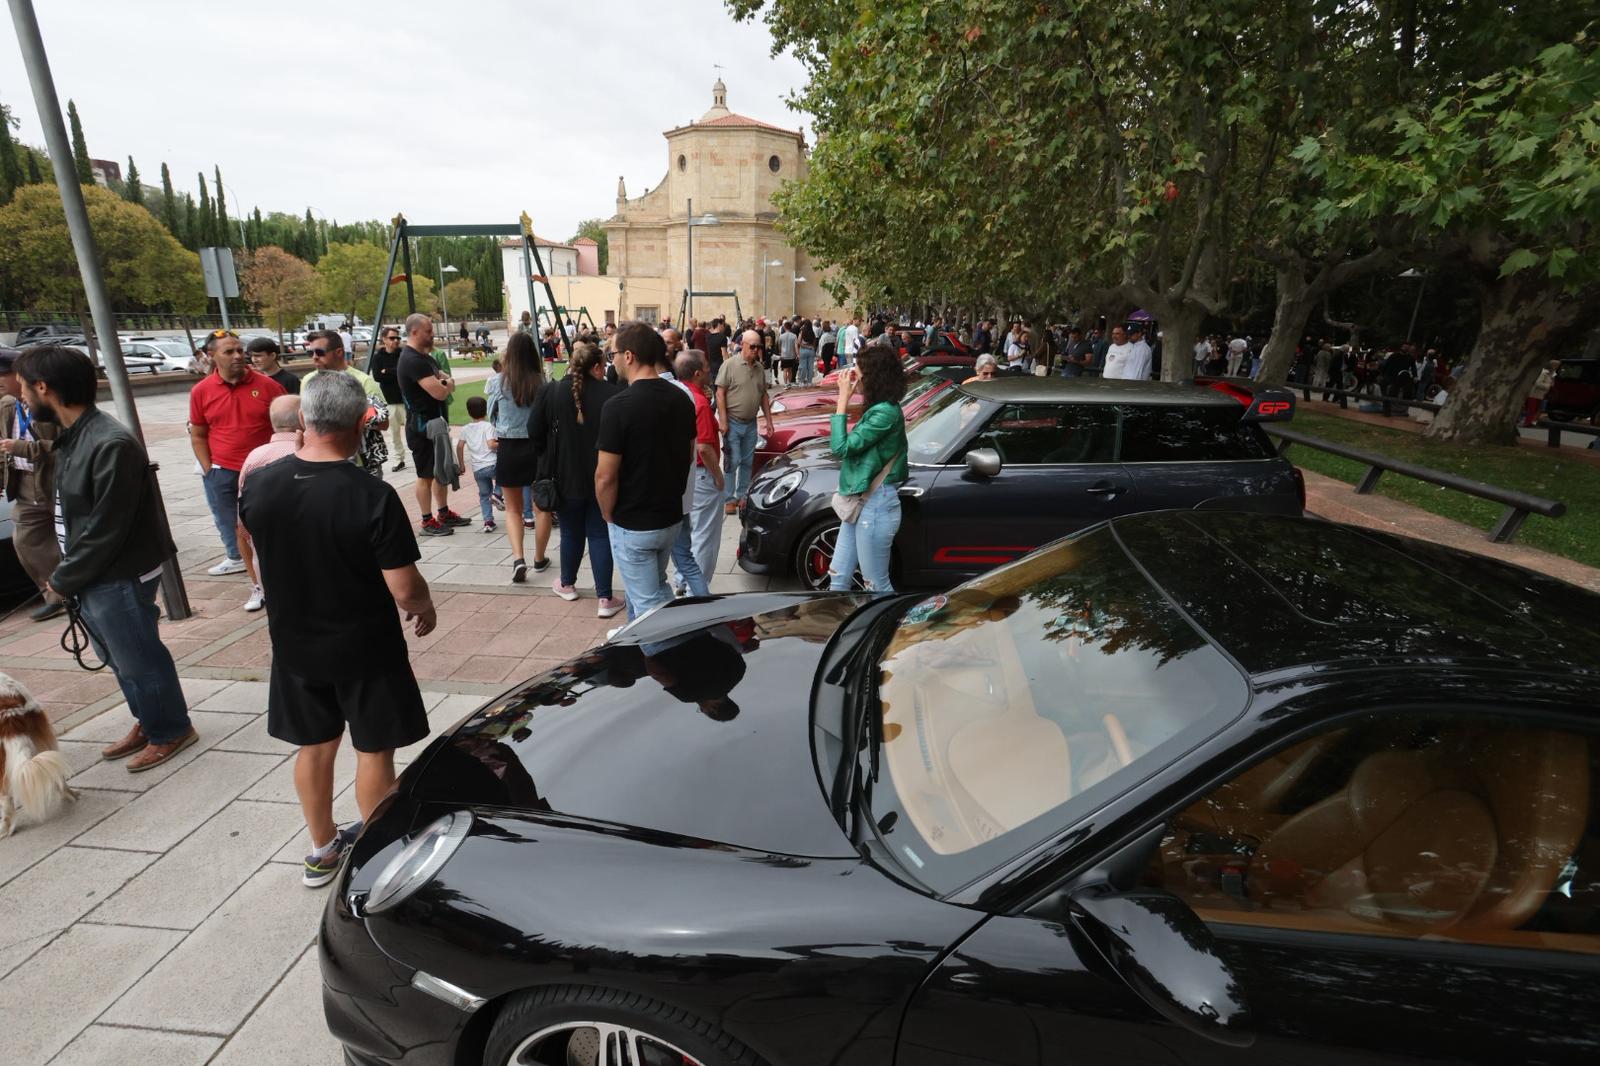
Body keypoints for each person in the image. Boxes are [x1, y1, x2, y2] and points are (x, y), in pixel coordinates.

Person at [240, 372, 435, 887]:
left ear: (304, 420)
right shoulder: (371, 495)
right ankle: (377, 855)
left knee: (316, 745)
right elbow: (403, 587)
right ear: (358, 424)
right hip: (365, 645)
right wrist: (424, 607)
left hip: (294, 642)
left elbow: (256, 552)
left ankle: (322, 849)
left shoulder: (260, 484)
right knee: (373, 749)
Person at [17, 346, 195, 771]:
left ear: (44, 387)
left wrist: (62, 579)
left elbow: (105, 529)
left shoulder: (109, 442)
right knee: (119, 657)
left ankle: (170, 728)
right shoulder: (73, 435)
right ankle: (148, 720)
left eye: (25, 387)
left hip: (116, 572)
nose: (22, 396)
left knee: (137, 656)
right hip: (93, 575)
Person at [595, 323, 696, 623]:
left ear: (628, 356)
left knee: (652, 611)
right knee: (649, 592)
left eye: (612, 353)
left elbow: (605, 476)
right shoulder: (682, 397)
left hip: (635, 522)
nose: (610, 360)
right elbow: (688, 455)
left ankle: (676, 661)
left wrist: (607, 513)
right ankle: (640, 657)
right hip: (669, 517)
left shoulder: (618, 406)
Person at [530, 342, 623, 617]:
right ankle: (604, 597)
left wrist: (547, 455)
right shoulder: (611, 393)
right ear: (596, 366)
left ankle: (567, 583)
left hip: (564, 475)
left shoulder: (553, 391)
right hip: (602, 475)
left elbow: (533, 429)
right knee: (598, 533)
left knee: (571, 531)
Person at [188, 329, 285, 575]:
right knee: (232, 523)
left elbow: (289, 428)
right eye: (229, 351)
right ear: (211, 356)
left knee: (273, 522)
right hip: (223, 472)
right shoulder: (201, 391)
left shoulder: (268, 387)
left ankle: (278, 565)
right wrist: (210, 471)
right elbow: (198, 435)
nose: (238, 356)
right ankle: (244, 566)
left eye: (241, 350)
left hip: (264, 472)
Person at [828, 342, 908, 595]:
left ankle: (892, 632)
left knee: (876, 585)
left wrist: (842, 400)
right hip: (863, 502)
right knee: (838, 576)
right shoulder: (880, 408)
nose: (855, 377)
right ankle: (836, 629)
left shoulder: (885, 413)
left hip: (876, 505)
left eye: (859, 372)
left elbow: (841, 447)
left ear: (873, 377)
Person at [0, 346, 63, 621]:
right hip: (24, 485)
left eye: (4, 374)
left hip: (53, 482)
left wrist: (25, 448)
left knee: (72, 539)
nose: (0, 381)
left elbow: (65, 445)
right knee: (26, 542)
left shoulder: (49, 403)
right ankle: (54, 595)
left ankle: (81, 589)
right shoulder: (6, 406)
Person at [396, 313, 467, 536]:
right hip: (421, 427)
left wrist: (444, 383)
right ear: (414, 332)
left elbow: (448, 385)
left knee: (440, 471)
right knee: (425, 475)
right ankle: (427, 521)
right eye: (428, 330)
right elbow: (439, 392)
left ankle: (443, 512)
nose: (432, 333)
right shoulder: (412, 360)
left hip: (435, 424)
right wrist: (444, 383)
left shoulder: (426, 358)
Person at [235, 394, 303, 612]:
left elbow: (243, 518)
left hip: (269, 558)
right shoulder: (311, 453)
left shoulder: (255, 457)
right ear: (304, 418)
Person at [493, 331, 548, 582]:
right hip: (536, 448)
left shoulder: (497, 382)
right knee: (541, 507)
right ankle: (539, 557)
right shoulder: (541, 382)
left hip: (508, 448)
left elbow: (493, 415)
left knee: (513, 509)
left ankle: (518, 558)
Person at [300, 331, 389, 477]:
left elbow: (383, 423)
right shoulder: (307, 381)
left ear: (339, 352)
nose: (315, 357)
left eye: (320, 352)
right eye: (310, 353)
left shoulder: (364, 381)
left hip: (360, 464)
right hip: (319, 461)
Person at [716, 329, 776, 515]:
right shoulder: (730, 365)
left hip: (750, 423)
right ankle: (729, 498)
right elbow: (720, 393)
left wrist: (769, 420)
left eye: (759, 347)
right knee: (732, 461)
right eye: (753, 346)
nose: (756, 350)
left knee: (747, 461)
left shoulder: (759, 368)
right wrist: (723, 421)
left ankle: (742, 496)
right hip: (733, 422)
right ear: (743, 344)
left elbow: (764, 395)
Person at [366, 326, 408, 470]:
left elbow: (406, 372)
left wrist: (388, 371)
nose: (396, 340)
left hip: (406, 400)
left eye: (398, 338)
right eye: (392, 338)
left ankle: (419, 455)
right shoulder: (378, 358)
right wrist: (396, 372)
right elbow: (378, 377)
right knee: (394, 433)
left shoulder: (403, 354)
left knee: (413, 432)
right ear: (384, 339)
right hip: (390, 401)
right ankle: (399, 459)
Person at [456, 395, 498, 533]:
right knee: (506, 478)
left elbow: (460, 446)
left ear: (468, 412)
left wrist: (462, 464)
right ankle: (497, 494)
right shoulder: (488, 426)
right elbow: (491, 445)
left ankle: (488, 521)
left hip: (477, 468)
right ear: (486, 411)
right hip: (492, 464)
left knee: (484, 494)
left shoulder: (466, 429)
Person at [1525, 360, 1559, 426]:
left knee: (1539, 409)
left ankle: (1533, 421)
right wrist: (1548, 386)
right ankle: (1527, 422)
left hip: (1544, 395)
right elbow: (1537, 383)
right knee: (1532, 409)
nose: (1557, 367)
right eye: (1556, 365)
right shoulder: (1544, 373)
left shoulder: (1553, 374)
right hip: (1535, 394)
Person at [777, 321, 800, 387]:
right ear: (791, 327)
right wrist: (797, 354)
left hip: (784, 355)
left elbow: (779, 345)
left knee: (785, 370)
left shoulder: (781, 336)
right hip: (792, 355)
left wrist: (780, 352)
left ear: (784, 327)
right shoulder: (794, 336)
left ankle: (785, 384)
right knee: (790, 370)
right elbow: (796, 346)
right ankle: (789, 383)